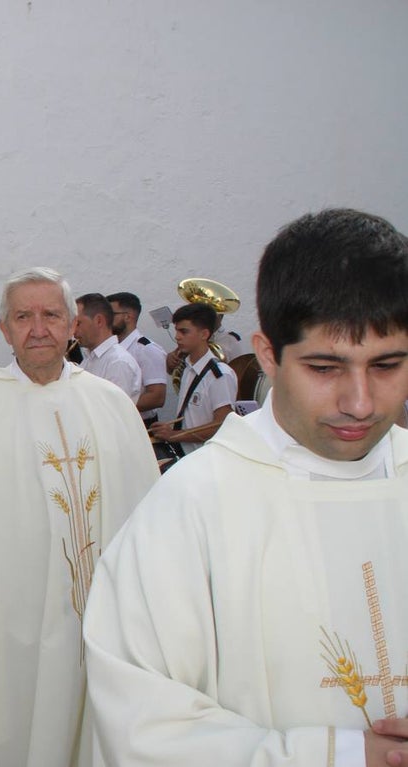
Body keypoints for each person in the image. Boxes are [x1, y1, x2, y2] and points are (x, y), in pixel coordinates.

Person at [84, 208, 408, 766]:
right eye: (326, 368)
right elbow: (139, 715)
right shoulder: (193, 504)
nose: (360, 402)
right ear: (267, 356)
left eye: (387, 365)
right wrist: (337, 756)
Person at [0, 267, 159, 766]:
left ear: (73, 324)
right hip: (9, 619)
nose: (38, 328)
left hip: (103, 620)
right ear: (5, 330)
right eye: (23, 316)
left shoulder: (111, 403)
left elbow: (147, 520)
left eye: (51, 315)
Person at [148, 302, 237, 456]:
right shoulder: (188, 368)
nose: (177, 337)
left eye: (184, 331)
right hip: (187, 455)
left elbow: (221, 425)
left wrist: (175, 435)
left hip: (205, 459)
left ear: (204, 334)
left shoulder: (220, 375)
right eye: (176, 331)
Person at [107, 291, 168, 424]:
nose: (106, 320)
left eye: (111, 314)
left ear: (128, 317)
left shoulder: (147, 349)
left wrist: (113, 407)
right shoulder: (111, 347)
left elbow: (157, 397)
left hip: (139, 424)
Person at [74, 292, 142, 404]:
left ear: (99, 321)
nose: (74, 331)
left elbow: (112, 411)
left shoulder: (118, 362)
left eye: (78, 323)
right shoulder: (90, 359)